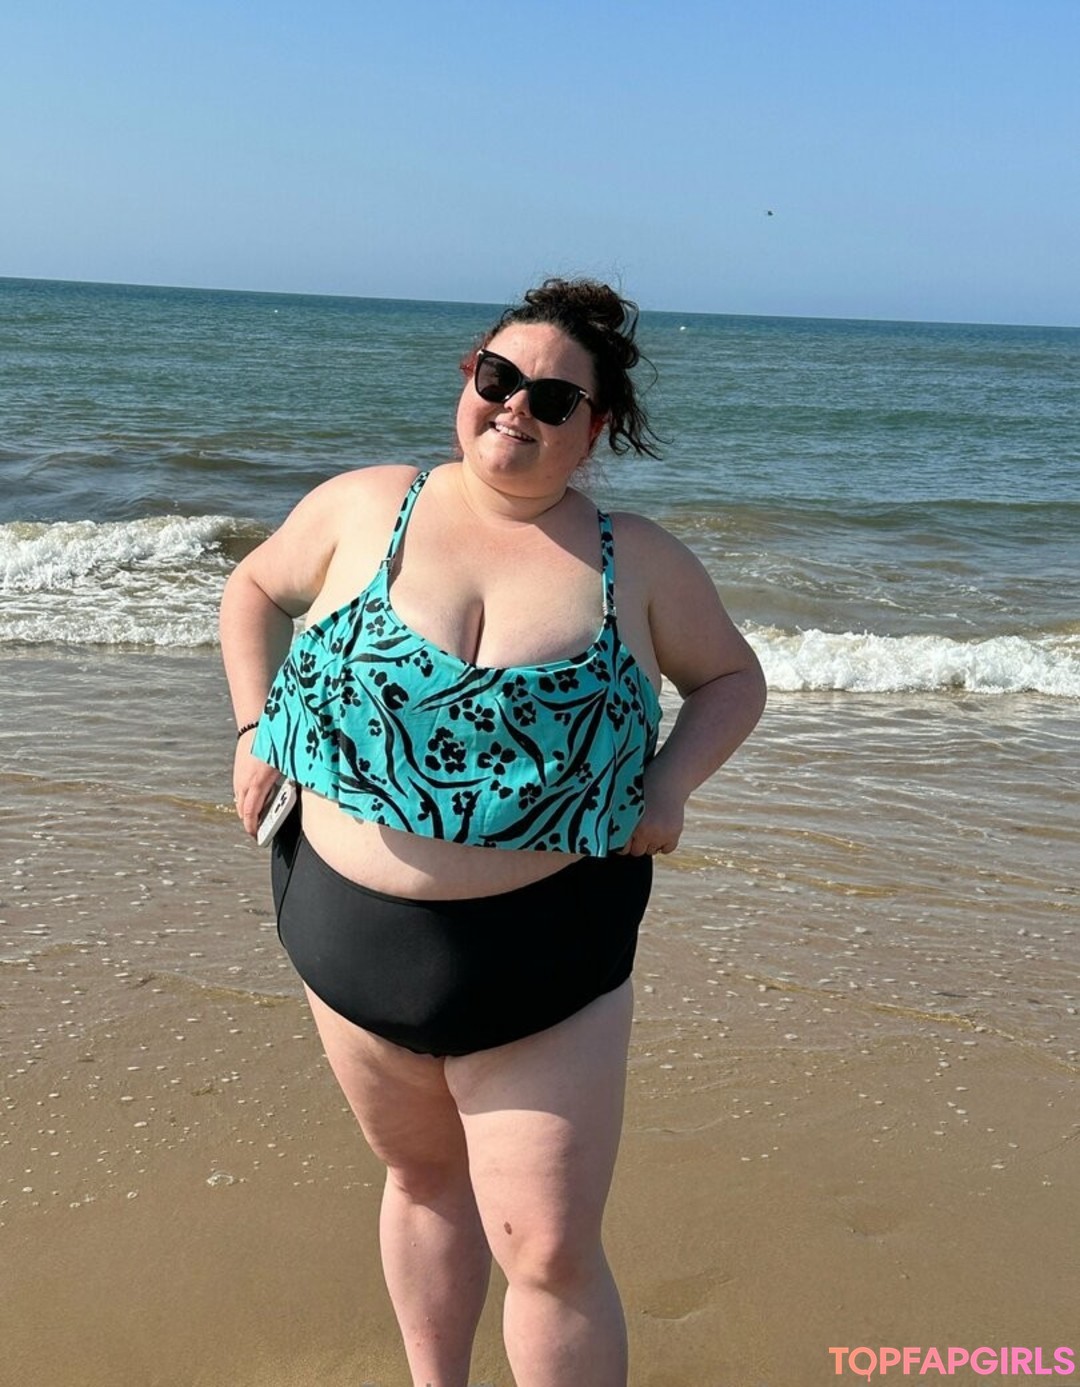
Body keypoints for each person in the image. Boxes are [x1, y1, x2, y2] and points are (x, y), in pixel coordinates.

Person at [219, 277, 765, 1387]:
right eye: (499, 377)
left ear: (593, 429)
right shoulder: (367, 504)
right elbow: (254, 587)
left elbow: (731, 680)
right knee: (422, 1184)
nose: (517, 406)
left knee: (549, 1249)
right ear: (469, 378)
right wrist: (256, 722)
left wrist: (670, 786)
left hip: (545, 964)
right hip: (348, 947)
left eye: (553, 398)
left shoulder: (636, 560)